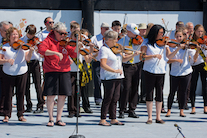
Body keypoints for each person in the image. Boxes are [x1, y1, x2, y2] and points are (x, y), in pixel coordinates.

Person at [141, 24, 183, 124]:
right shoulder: (146, 42)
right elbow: (142, 57)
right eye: (160, 33)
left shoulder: (165, 43)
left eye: (162, 33)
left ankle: (158, 117)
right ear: (155, 33)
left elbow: (168, 56)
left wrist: (177, 49)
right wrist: (153, 56)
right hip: (149, 71)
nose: (162, 35)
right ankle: (150, 117)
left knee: (159, 94)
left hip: (161, 71)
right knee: (149, 93)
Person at [38, 22, 78, 127]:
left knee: (62, 95)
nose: (63, 36)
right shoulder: (48, 40)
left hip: (64, 70)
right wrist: (55, 53)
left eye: (65, 33)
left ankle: (58, 118)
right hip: (51, 70)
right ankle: (51, 118)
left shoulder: (66, 42)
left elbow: (73, 53)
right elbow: (41, 50)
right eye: (61, 33)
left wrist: (78, 46)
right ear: (55, 32)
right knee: (51, 95)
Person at [98, 30, 140, 126]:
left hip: (118, 77)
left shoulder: (116, 49)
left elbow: (124, 59)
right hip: (108, 77)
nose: (116, 41)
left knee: (116, 97)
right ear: (108, 39)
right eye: (114, 39)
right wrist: (114, 70)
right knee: (108, 97)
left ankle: (113, 118)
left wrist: (133, 55)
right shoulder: (104, 49)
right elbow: (103, 64)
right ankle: (103, 119)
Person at [0, 27, 34, 122]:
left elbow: (27, 58)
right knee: (8, 94)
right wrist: (7, 60)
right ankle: (7, 114)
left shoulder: (23, 46)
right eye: (13, 34)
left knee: (21, 93)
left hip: (21, 72)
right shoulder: (5, 47)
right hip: (8, 72)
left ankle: (20, 114)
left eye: (16, 34)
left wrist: (31, 51)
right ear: (9, 36)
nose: (15, 36)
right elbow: (0, 60)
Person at [165, 28, 199, 117]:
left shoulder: (187, 47)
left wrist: (197, 50)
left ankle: (181, 110)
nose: (179, 38)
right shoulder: (171, 47)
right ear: (175, 37)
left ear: (184, 37)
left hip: (186, 71)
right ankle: (169, 109)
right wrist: (177, 51)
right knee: (172, 91)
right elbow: (168, 59)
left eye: (180, 36)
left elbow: (194, 59)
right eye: (177, 36)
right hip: (175, 72)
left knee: (183, 92)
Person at [118, 23, 141, 118]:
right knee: (126, 88)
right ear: (128, 32)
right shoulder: (121, 41)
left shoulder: (139, 41)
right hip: (127, 66)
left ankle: (132, 109)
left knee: (135, 88)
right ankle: (122, 109)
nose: (136, 35)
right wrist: (131, 54)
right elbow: (122, 56)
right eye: (134, 33)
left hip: (137, 65)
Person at [20, 24, 44, 113]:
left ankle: (40, 104)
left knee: (38, 83)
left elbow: (41, 52)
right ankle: (28, 104)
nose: (31, 36)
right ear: (27, 32)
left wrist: (38, 48)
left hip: (35, 62)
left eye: (33, 34)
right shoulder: (22, 40)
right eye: (30, 34)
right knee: (26, 85)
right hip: (26, 63)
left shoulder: (37, 40)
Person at [189, 24, 207, 114]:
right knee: (193, 86)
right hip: (195, 65)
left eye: (201, 31)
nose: (200, 33)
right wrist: (197, 49)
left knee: (205, 87)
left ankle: (205, 106)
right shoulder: (192, 42)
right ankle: (193, 106)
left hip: (204, 65)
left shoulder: (205, 41)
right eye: (198, 31)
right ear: (195, 32)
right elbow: (193, 59)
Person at [91, 22, 109, 105]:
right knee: (97, 81)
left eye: (108, 28)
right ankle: (98, 97)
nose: (107, 30)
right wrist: (96, 52)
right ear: (101, 28)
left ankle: (107, 97)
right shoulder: (95, 38)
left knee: (107, 81)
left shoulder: (109, 39)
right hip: (97, 61)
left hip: (107, 62)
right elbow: (90, 50)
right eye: (105, 28)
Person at [0, 21, 13, 116]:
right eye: (6, 31)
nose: (8, 33)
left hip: (6, 65)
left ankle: (3, 108)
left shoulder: (10, 41)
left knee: (5, 88)